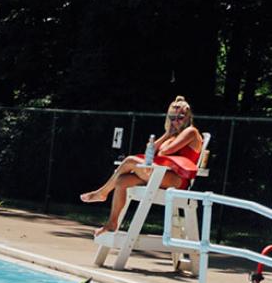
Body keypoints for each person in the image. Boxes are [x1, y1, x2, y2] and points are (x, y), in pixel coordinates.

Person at [80, 96, 204, 237]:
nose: (175, 121)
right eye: (172, 118)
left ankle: (102, 193)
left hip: (178, 180)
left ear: (188, 117)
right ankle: (112, 222)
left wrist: (169, 137)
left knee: (129, 161)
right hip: (162, 175)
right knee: (122, 181)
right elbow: (150, 150)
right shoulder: (173, 135)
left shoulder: (191, 132)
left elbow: (164, 152)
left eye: (180, 117)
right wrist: (167, 134)